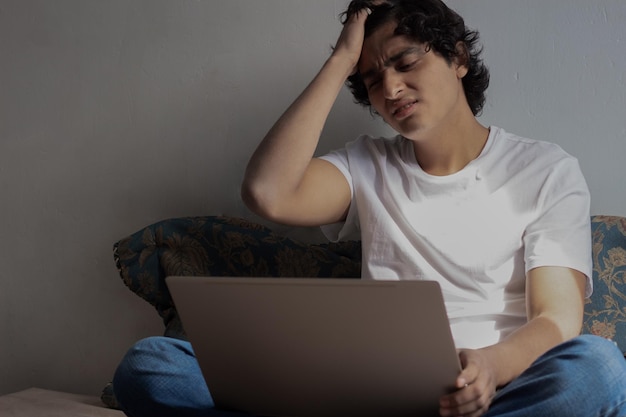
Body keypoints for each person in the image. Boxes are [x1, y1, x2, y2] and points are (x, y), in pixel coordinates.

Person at [113, 1, 626, 416]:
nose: (391, 89)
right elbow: (269, 193)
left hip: (489, 394)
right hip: (369, 390)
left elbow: (557, 320)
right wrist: (340, 61)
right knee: (152, 365)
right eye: (373, 80)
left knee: (598, 368)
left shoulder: (545, 169)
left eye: (405, 63)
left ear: (459, 58)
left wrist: (489, 370)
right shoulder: (366, 163)